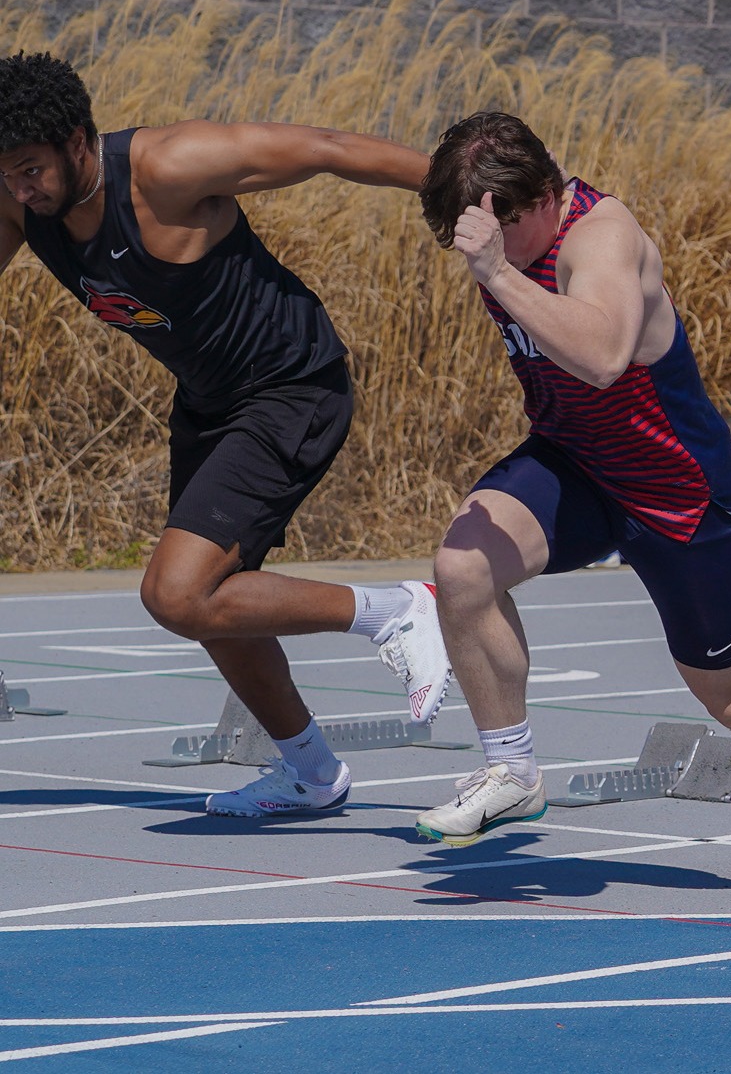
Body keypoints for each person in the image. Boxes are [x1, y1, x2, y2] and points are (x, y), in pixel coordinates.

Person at [410, 113, 731, 895]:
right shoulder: (506, 214)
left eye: (502, 233)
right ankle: (512, 769)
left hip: (674, 490)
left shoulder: (601, 239)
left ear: (543, 197)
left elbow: (604, 357)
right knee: (463, 567)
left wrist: (499, 274)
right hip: (575, 462)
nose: (490, 248)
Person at [0, 53, 451, 816]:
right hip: (210, 407)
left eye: (31, 170)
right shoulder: (21, 206)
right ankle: (312, 774)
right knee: (216, 609)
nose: (21, 189)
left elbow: (329, 149)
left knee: (177, 594)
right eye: (6, 175)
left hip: (291, 388)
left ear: (77, 140)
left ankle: (396, 609)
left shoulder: (168, 168)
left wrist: (476, 195)